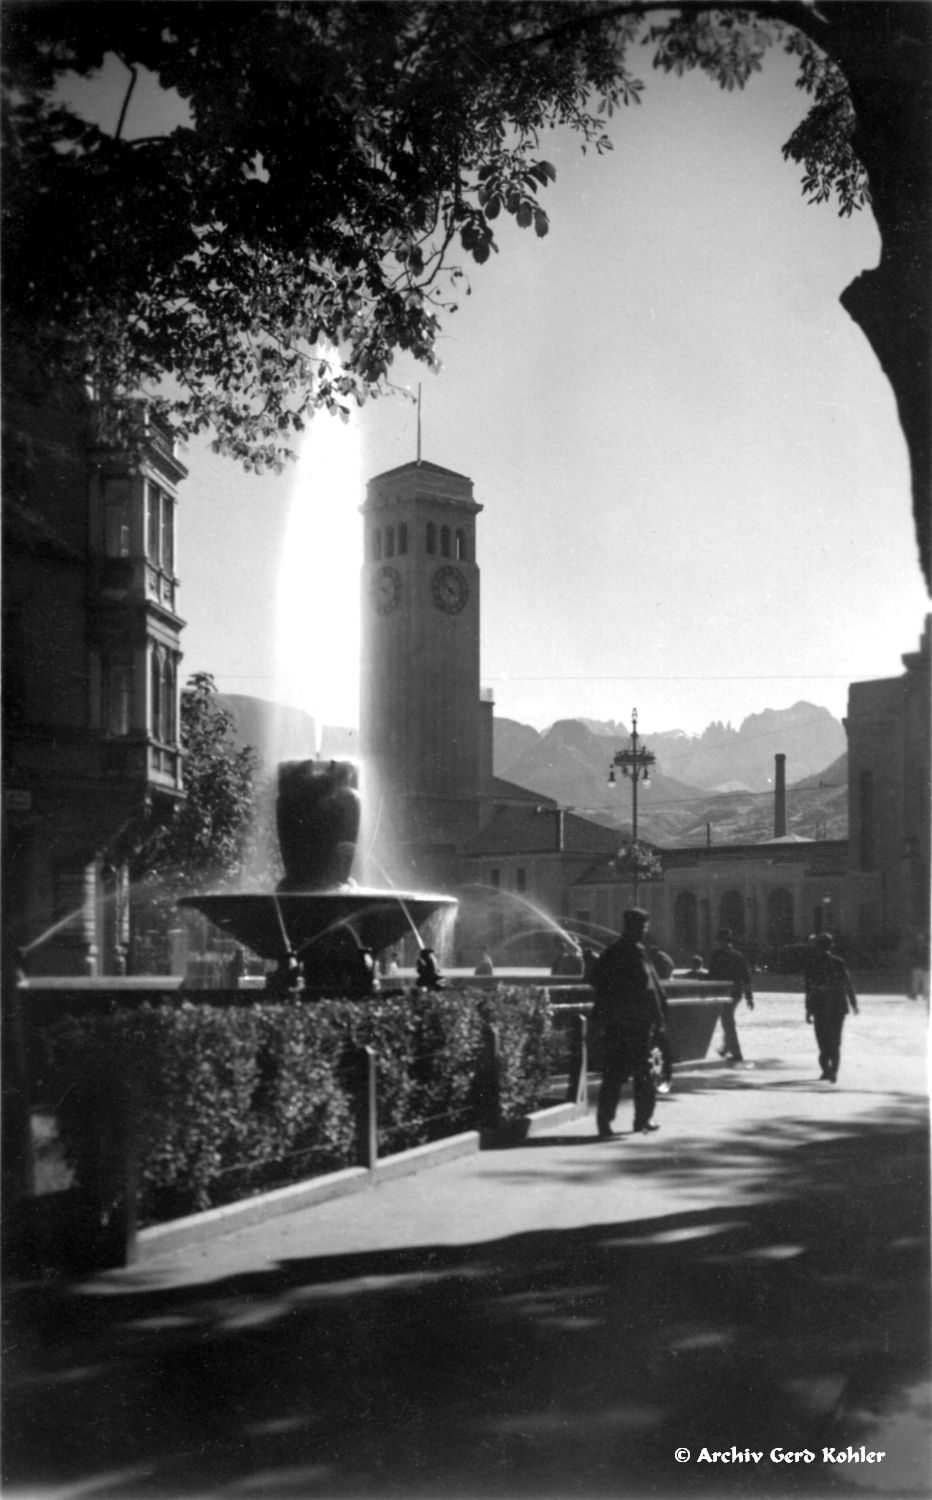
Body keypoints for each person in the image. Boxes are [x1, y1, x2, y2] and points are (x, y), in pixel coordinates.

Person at [590, 907, 668, 1137]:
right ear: (636, 927)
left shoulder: (612, 951)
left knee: (612, 1074)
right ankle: (642, 1120)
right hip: (637, 1023)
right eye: (643, 927)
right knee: (643, 1073)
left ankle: (604, 1122)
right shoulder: (637, 952)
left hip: (615, 1022)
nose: (644, 931)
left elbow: (595, 981)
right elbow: (650, 989)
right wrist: (659, 1018)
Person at [804, 932, 858, 1081]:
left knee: (822, 1042)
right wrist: (853, 1003)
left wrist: (808, 1010)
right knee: (835, 1041)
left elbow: (809, 989)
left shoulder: (812, 964)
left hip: (819, 1006)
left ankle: (827, 1069)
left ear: (816, 947)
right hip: (838, 1006)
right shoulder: (839, 962)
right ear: (831, 946)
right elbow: (848, 984)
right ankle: (833, 1070)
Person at [706, 927, 755, 1063]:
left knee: (727, 1022)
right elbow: (746, 978)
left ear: (719, 941)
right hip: (736, 992)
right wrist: (749, 997)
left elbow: (711, 976)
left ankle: (736, 1052)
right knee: (727, 1020)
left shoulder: (716, 955)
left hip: (722, 992)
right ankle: (727, 1048)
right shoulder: (739, 955)